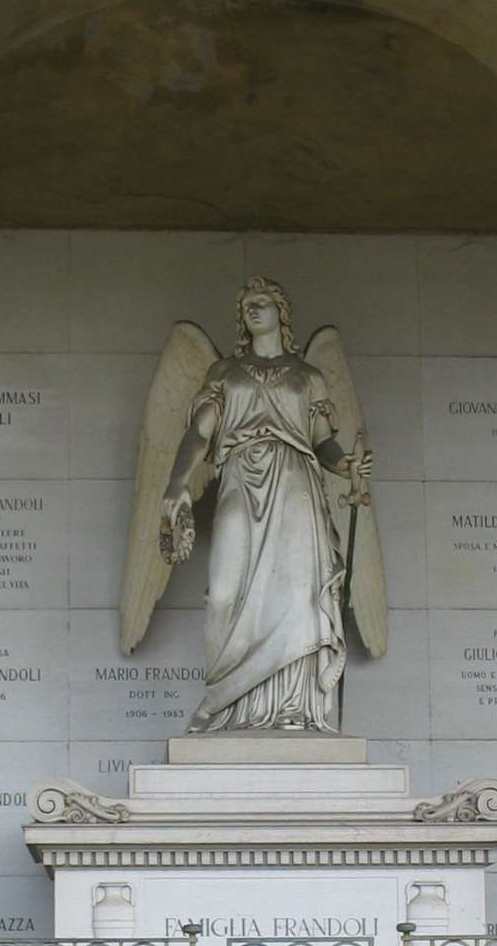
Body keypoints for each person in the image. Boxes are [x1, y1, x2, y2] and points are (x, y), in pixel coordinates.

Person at [159, 277, 373, 733]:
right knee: (224, 592)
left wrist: (347, 465)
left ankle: (292, 707)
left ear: (281, 313)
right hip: (239, 478)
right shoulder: (224, 372)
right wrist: (177, 483)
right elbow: (198, 433)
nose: (253, 310)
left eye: (262, 302)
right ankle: (223, 706)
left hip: (295, 483)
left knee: (295, 595)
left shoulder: (308, 376)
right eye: (247, 306)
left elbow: (323, 442)